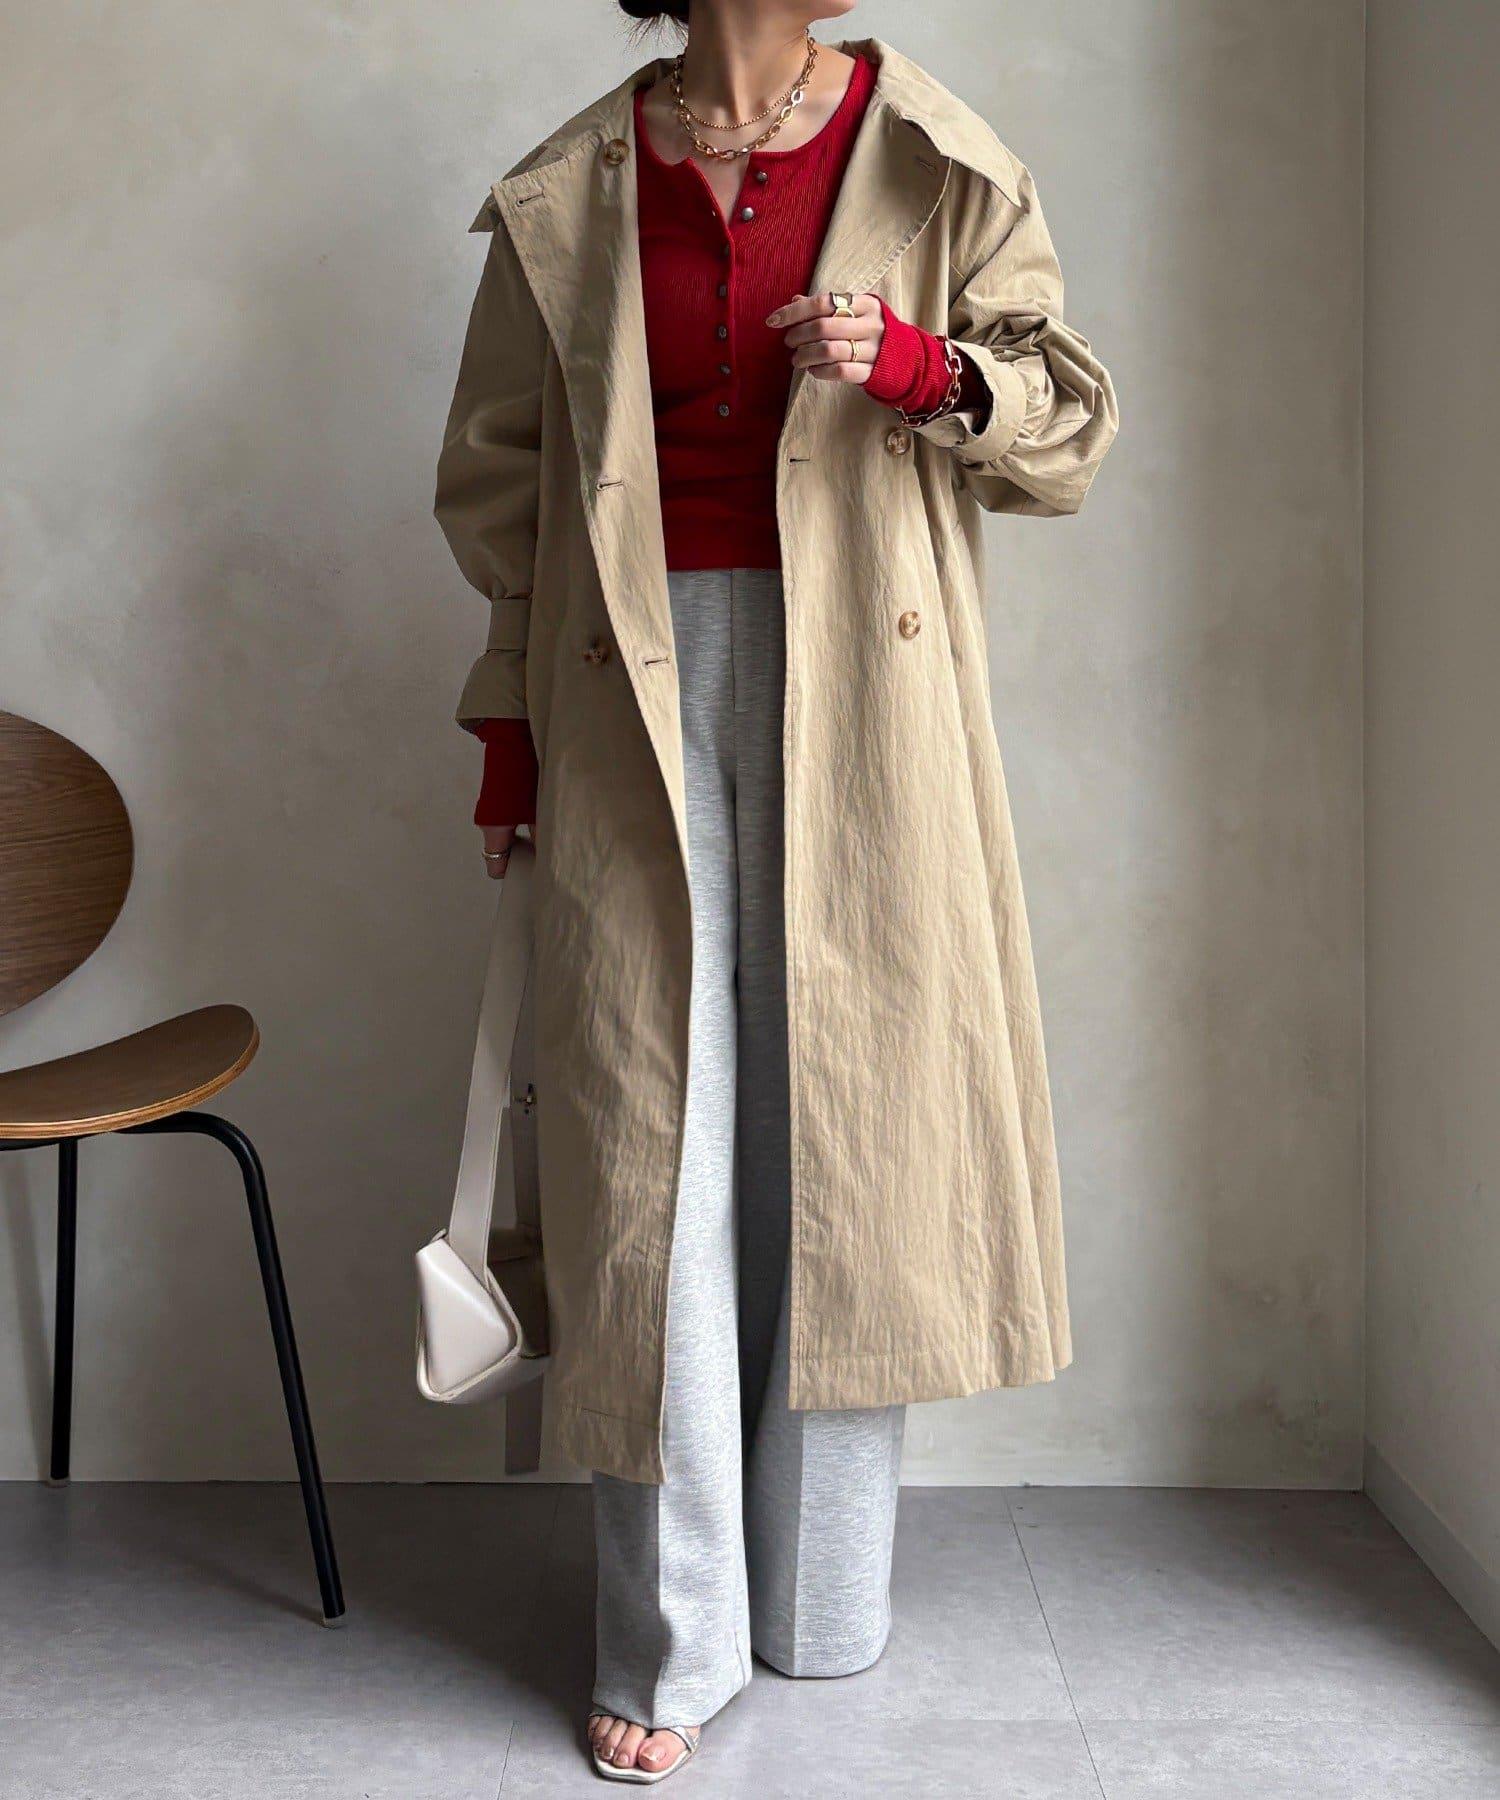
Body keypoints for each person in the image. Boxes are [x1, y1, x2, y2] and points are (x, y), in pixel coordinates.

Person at [434, 1, 1117, 1781]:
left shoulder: (936, 157)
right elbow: (507, 493)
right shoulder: (572, 183)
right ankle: (673, 1641)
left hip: (871, 680)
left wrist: (918, 367)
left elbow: (1066, 429)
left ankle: (818, 1601)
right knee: (647, 1142)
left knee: (848, 1131)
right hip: (623, 679)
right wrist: (506, 733)